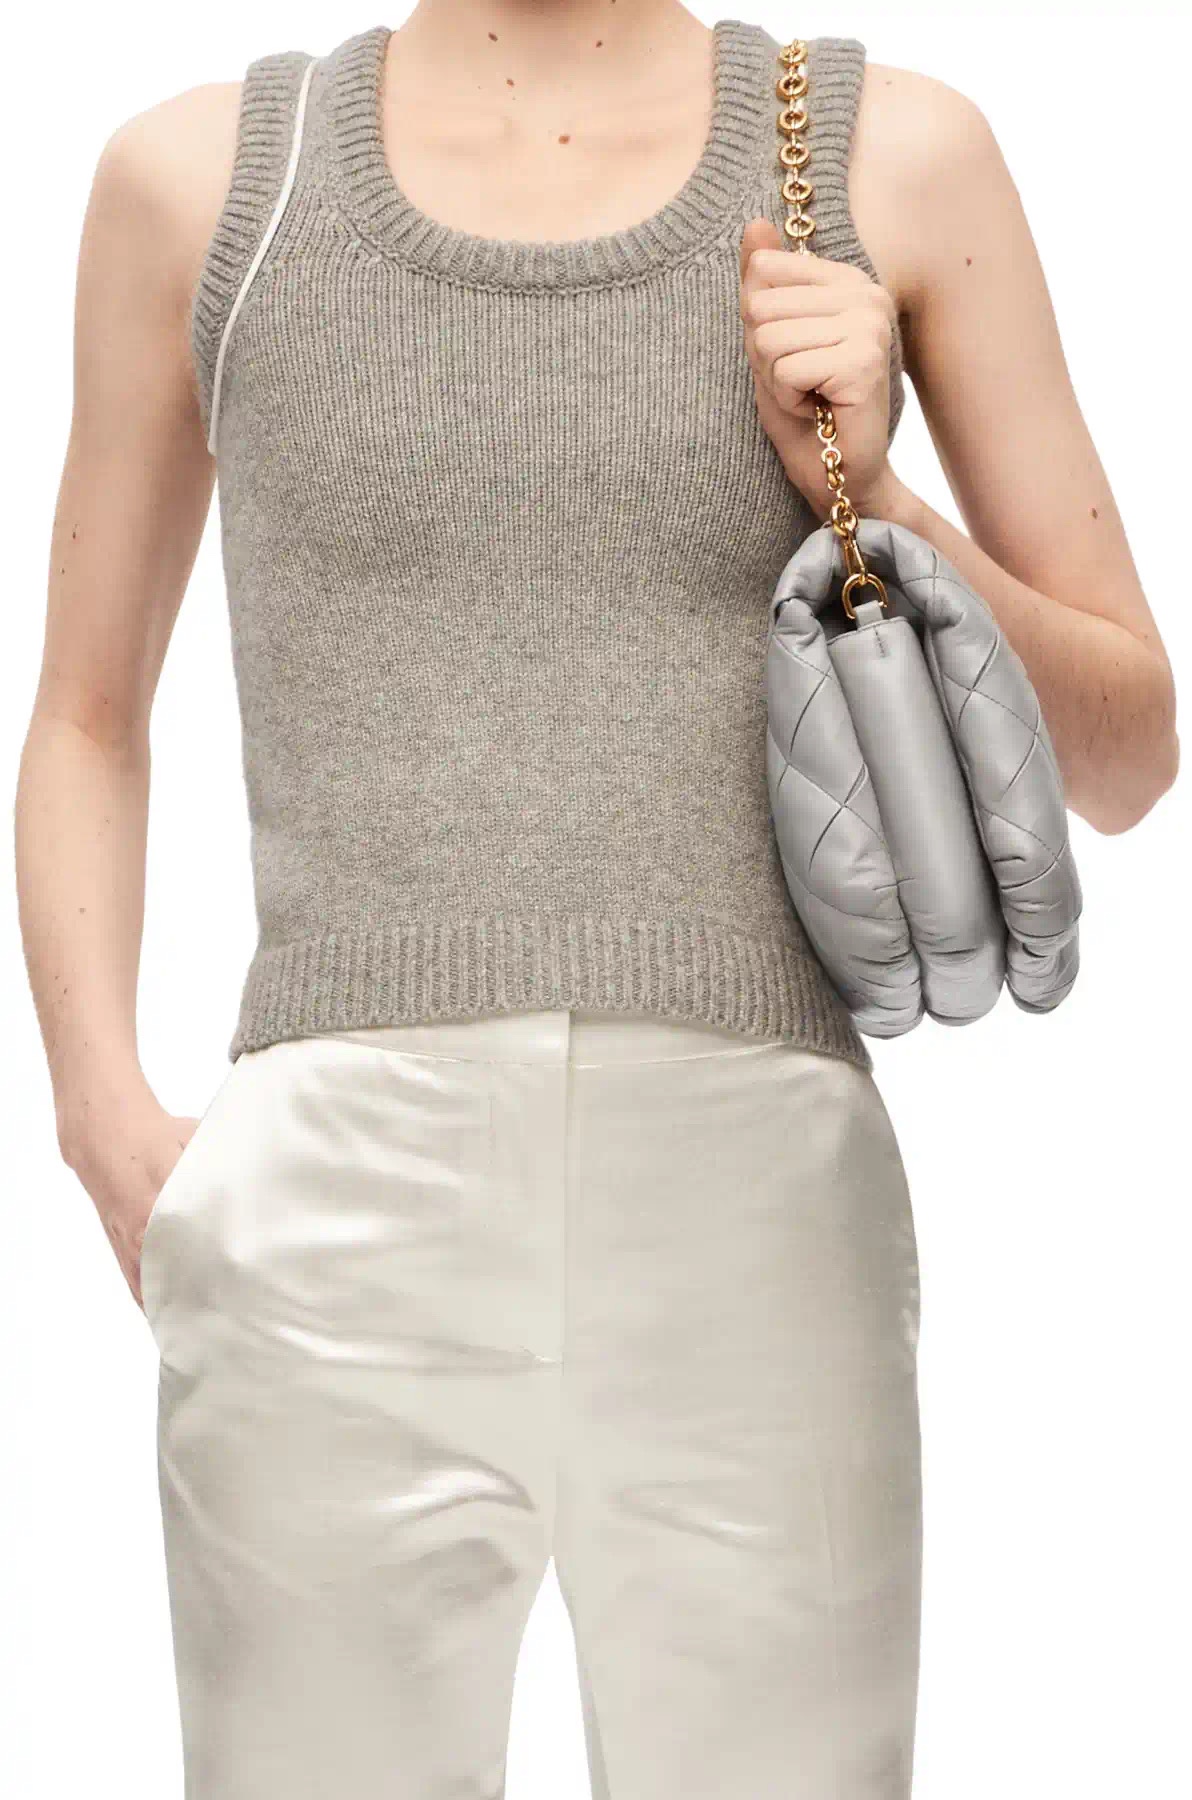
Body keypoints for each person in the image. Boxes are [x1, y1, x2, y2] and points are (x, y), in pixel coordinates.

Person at [15, 4, 1177, 1796]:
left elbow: (1129, 749)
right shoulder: (204, 181)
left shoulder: (890, 153)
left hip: (761, 1218)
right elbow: (88, 711)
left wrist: (877, 488)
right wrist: (106, 1122)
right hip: (324, 1215)